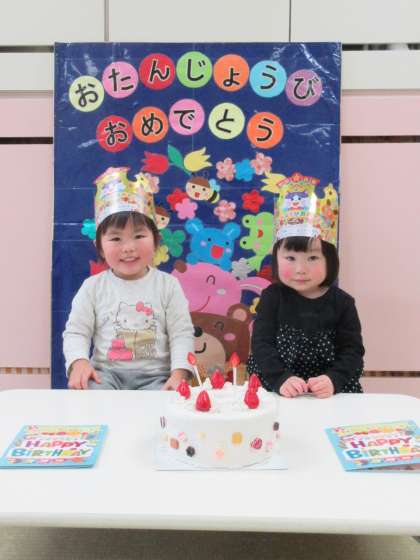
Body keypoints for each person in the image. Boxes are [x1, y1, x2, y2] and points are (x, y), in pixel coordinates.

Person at [63, 167, 194, 390]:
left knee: (167, 404)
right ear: (99, 247)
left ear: (156, 240)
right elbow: (77, 331)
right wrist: (79, 362)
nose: (128, 247)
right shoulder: (93, 287)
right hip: (105, 376)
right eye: (116, 238)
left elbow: (181, 333)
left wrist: (180, 373)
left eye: (139, 235)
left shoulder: (168, 285)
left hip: (156, 378)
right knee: (89, 396)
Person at [247, 174, 364, 398]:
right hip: (277, 388)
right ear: (276, 259)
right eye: (290, 258)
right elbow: (261, 344)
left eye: (312, 258)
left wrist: (333, 380)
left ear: (330, 260)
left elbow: (353, 352)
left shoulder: (343, 303)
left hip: (330, 394)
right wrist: (280, 378)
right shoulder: (272, 297)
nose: (301, 269)